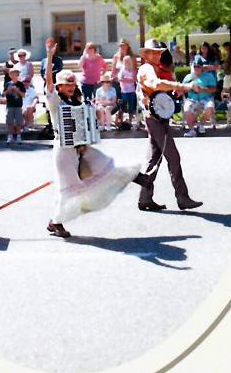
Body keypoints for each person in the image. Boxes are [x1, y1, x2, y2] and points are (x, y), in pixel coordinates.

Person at [44, 41, 151, 238]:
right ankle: (55, 222)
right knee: (68, 187)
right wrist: (50, 56)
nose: (70, 87)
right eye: (66, 85)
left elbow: (85, 122)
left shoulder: (77, 101)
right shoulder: (55, 101)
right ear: (59, 86)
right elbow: (48, 84)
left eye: (72, 84)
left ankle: (134, 176)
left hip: (81, 147)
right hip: (63, 149)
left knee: (105, 164)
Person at [137, 38, 202, 211]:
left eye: (160, 52)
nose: (158, 55)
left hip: (155, 116)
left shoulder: (153, 68)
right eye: (155, 52)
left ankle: (144, 199)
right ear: (147, 54)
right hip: (155, 118)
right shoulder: (147, 69)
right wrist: (183, 86)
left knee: (154, 159)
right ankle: (182, 197)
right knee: (173, 157)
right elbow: (155, 84)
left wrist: (173, 92)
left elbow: (157, 92)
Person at [182, 55, 218, 136]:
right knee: (187, 108)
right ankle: (191, 130)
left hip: (205, 97)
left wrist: (201, 89)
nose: (196, 68)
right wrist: (189, 88)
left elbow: (214, 89)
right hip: (192, 98)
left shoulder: (209, 76)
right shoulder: (189, 77)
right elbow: (183, 88)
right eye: (195, 66)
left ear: (202, 67)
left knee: (210, 105)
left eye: (198, 66)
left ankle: (201, 125)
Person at [3, 67, 25, 144]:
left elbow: (23, 95)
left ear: (17, 75)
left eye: (14, 74)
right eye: (11, 74)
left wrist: (17, 90)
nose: (13, 76)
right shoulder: (8, 84)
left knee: (18, 121)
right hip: (9, 105)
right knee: (10, 121)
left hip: (18, 105)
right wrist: (8, 90)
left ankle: (18, 136)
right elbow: (3, 94)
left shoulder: (20, 84)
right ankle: (10, 136)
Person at [117, 55, 138, 127]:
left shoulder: (133, 70)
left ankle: (130, 120)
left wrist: (126, 79)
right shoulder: (122, 70)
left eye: (127, 61)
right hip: (124, 90)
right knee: (123, 105)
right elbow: (120, 79)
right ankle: (121, 120)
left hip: (131, 90)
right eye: (124, 61)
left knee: (131, 105)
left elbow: (134, 79)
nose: (126, 63)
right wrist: (128, 80)